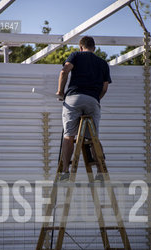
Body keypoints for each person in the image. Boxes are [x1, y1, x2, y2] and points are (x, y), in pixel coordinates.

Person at [56, 36, 112, 180]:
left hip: (73, 97)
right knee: (93, 138)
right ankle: (100, 171)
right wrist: (95, 99)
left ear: (81, 47)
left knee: (68, 136)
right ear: (94, 48)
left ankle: (66, 171)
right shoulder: (102, 63)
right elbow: (105, 88)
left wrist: (60, 92)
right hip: (93, 100)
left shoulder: (76, 55)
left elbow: (64, 71)